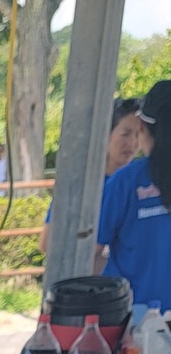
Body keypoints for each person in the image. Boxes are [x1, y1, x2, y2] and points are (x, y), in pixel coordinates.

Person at [96, 81, 171, 313]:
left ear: (141, 125)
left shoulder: (125, 181)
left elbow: (91, 251)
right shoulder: (125, 181)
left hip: (133, 316)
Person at [41, 97, 143, 255]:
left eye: (139, 134)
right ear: (105, 134)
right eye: (125, 134)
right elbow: (47, 243)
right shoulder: (79, 182)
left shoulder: (144, 183)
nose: (132, 143)